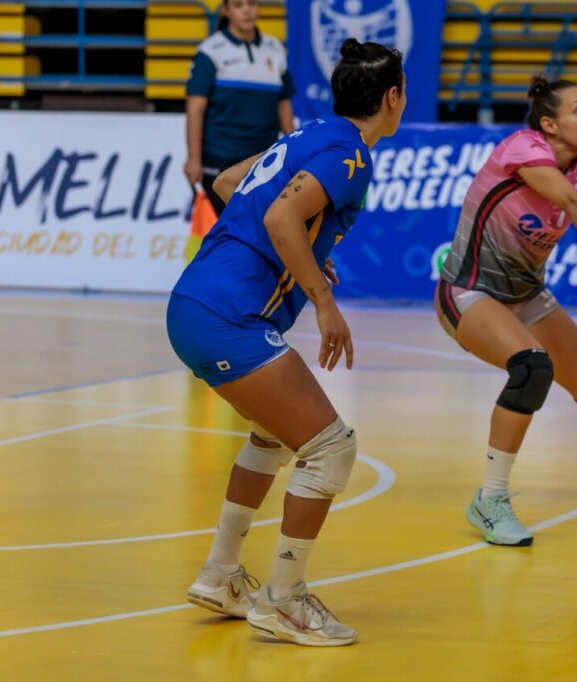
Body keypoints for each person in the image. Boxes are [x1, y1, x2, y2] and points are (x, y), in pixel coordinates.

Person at [166, 39, 405, 646]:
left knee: (274, 435)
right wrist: (323, 301)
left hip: (196, 302)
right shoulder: (349, 152)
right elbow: (279, 219)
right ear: (393, 98)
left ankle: (221, 575)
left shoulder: (307, 135)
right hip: (229, 316)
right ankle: (285, 600)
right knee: (331, 449)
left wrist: (307, 259)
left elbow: (226, 183)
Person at [435, 75, 577, 548]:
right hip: (468, 292)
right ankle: (490, 498)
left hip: (527, 296)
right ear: (549, 125)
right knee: (531, 368)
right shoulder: (521, 148)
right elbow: (565, 197)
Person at [183, 0, 296, 216]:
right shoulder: (210, 51)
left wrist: (293, 149)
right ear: (226, 10)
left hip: (263, 158)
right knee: (228, 229)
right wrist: (193, 158)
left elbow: (283, 103)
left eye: (252, 4)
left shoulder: (274, 49)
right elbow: (195, 109)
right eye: (238, 5)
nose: (247, 10)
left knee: (259, 229)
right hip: (221, 158)